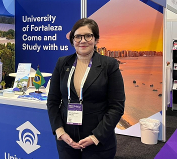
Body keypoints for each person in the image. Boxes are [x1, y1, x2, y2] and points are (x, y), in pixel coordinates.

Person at [47, 18, 125, 159]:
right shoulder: (62, 63)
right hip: (67, 142)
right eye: (77, 36)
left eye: (88, 36)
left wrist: (96, 137)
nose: (82, 41)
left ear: (95, 40)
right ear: (72, 40)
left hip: (98, 143)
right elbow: (52, 101)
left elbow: (116, 106)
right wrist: (59, 131)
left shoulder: (109, 65)